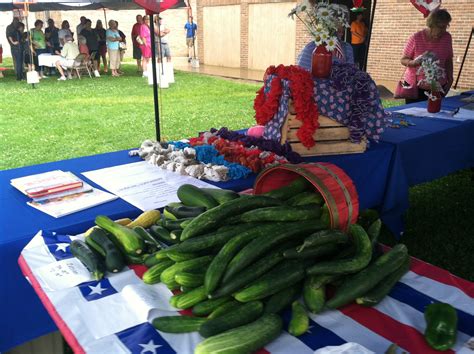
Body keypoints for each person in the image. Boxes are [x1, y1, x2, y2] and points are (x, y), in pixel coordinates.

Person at [400, 9, 453, 104]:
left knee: (435, 114)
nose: (443, 30)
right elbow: (403, 59)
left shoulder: (447, 37)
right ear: (431, 24)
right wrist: (414, 63)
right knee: (414, 115)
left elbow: (448, 59)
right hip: (415, 87)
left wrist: (450, 78)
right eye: (440, 27)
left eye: (446, 26)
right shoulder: (416, 38)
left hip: (437, 86)